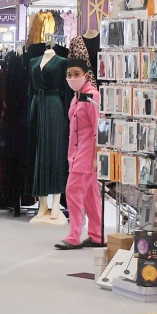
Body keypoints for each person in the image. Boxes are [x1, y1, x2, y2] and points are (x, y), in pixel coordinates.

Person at [55, 59, 104, 250]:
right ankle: (97, 235)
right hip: (75, 152)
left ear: (86, 75)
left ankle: (74, 235)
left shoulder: (92, 97)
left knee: (73, 192)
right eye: (69, 75)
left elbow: (98, 129)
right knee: (90, 195)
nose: (72, 78)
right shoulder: (77, 97)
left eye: (76, 74)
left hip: (86, 154)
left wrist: (95, 157)